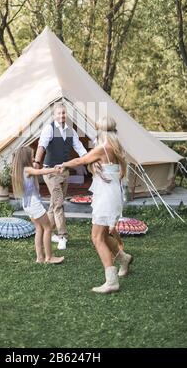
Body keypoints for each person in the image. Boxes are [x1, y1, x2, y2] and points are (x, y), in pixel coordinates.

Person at [57, 117, 133, 293]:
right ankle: (124, 258)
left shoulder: (102, 148)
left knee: (97, 238)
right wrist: (95, 165)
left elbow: (80, 161)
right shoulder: (115, 147)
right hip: (111, 193)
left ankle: (111, 281)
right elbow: (100, 164)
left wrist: (64, 164)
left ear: (101, 132)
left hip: (106, 196)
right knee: (104, 236)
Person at [33, 102, 87, 250]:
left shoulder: (71, 131)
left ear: (66, 114)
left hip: (64, 172)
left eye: (64, 113)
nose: (62, 115)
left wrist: (92, 160)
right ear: (54, 115)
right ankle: (62, 236)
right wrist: (36, 163)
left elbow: (81, 150)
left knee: (54, 204)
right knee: (59, 204)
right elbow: (41, 146)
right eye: (59, 113)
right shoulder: (49, 129)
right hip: (50, 172)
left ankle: (48, 232)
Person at [12, 146, 64, 264]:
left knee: (39, 228)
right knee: (48, 228)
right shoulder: (27, 169)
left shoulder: (21, 170)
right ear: (26, 158)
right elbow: (40, 171)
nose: (34, 158)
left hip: (27, 204)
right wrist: (54, 170)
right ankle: (49, 257)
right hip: (34, 204)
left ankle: (40, 258)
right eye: (32, 156)